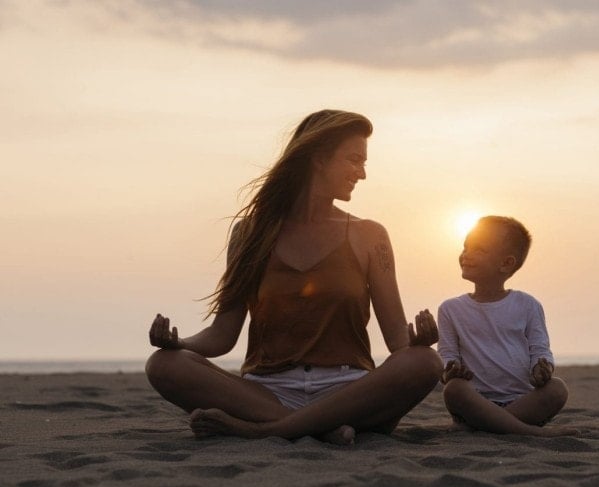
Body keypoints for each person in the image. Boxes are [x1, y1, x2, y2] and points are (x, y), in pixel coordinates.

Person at [145, 109, 443, 445]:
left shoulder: (370, 235)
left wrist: (419, 341)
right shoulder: (251, 233)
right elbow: (222, 333)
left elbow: (397, 342)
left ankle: (265, 430)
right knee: (164, 365)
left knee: (424, 362)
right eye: (354, 160)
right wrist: (179, 344)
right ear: (318, 158)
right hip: (267, 392)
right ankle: (319, 428)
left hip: (347, 391)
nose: (362, 173)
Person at [437, 215, 579, 437]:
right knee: (454, 389)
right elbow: (447, 355)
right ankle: (527, 432)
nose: (466, 254)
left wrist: (542, 368)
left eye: (479, 250)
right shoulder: (450, 309)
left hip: (522, 402)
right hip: (474, 401)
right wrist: (451, 370)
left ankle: (489, 425)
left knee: (557, 389)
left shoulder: (528, 305)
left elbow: (540, 349)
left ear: (506, 263)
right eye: (465, 247)